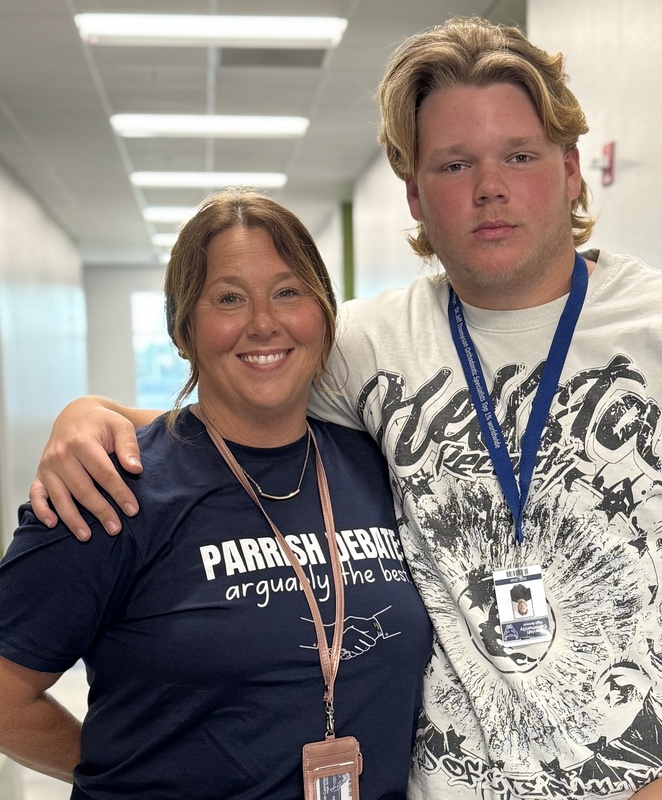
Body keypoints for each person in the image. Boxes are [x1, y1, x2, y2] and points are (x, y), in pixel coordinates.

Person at [26, 14, 662, 800]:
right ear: (417, 196)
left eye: (520, 156)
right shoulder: (366, 341)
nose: (489, 188)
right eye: (454, 164)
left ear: (572, 170)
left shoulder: (652, 327)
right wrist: (90, 415)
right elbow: (234, 415)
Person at [0, 189, 433, 799]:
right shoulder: (113, 489)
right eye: (229, 298)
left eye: (289, 292)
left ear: (325, 316)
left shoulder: (374, 463)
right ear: (185, 329)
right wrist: (121, 773)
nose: (263, 322)